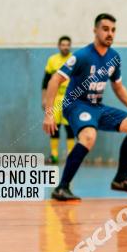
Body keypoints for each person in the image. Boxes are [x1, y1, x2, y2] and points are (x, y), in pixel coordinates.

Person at [43, 13, 127, 200]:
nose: (110, 33)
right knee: (88, 136)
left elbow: (118, 87)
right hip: (75, 105)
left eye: (113, 30)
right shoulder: (82, 55)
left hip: (97, 107)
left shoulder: (114, 58)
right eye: (105, 29)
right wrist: (49, 114)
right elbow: (54, 80)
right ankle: (62, 187)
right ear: (95, 30)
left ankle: (121, 179)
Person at [42, 36, 74, 164]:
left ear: (70, 46)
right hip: (55, 98)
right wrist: (44, 99)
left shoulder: (74, 59)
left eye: (67, 45)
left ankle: (70, 155)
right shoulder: (52, 60)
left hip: (70, 98)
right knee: (53, 127)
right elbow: (45, 82)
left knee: (70, 127)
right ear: (59, 46)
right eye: (63, 44)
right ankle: (54, 155)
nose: (65, 47)